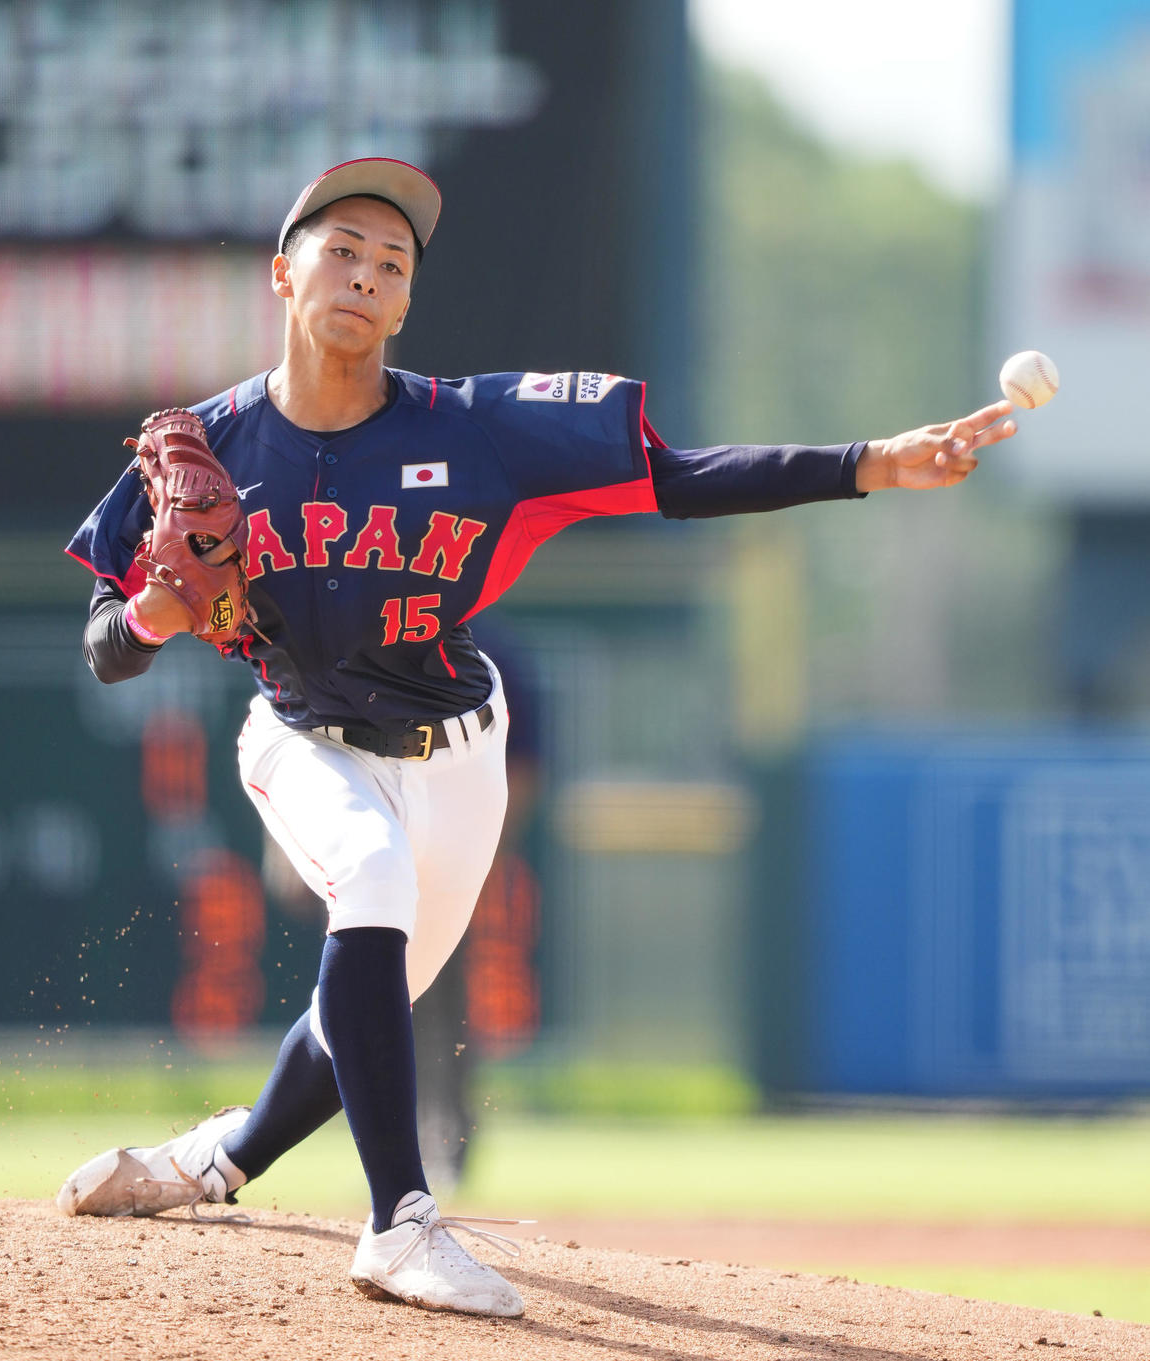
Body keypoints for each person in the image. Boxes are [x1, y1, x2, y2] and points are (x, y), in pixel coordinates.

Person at [56, 157, 1017, 1318]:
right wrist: (157, 609)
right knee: (365, 881)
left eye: (392, 263)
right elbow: (108, 640)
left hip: (461, 752)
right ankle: (400, 1223)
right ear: (282, 272)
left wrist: (868, 464)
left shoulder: (476, 429)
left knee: (364, 1003)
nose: (366, 274)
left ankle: (209, 1160)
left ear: (407, 304)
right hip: (301, 736)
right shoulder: (207, 447)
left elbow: (677, 478)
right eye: (342, 249)